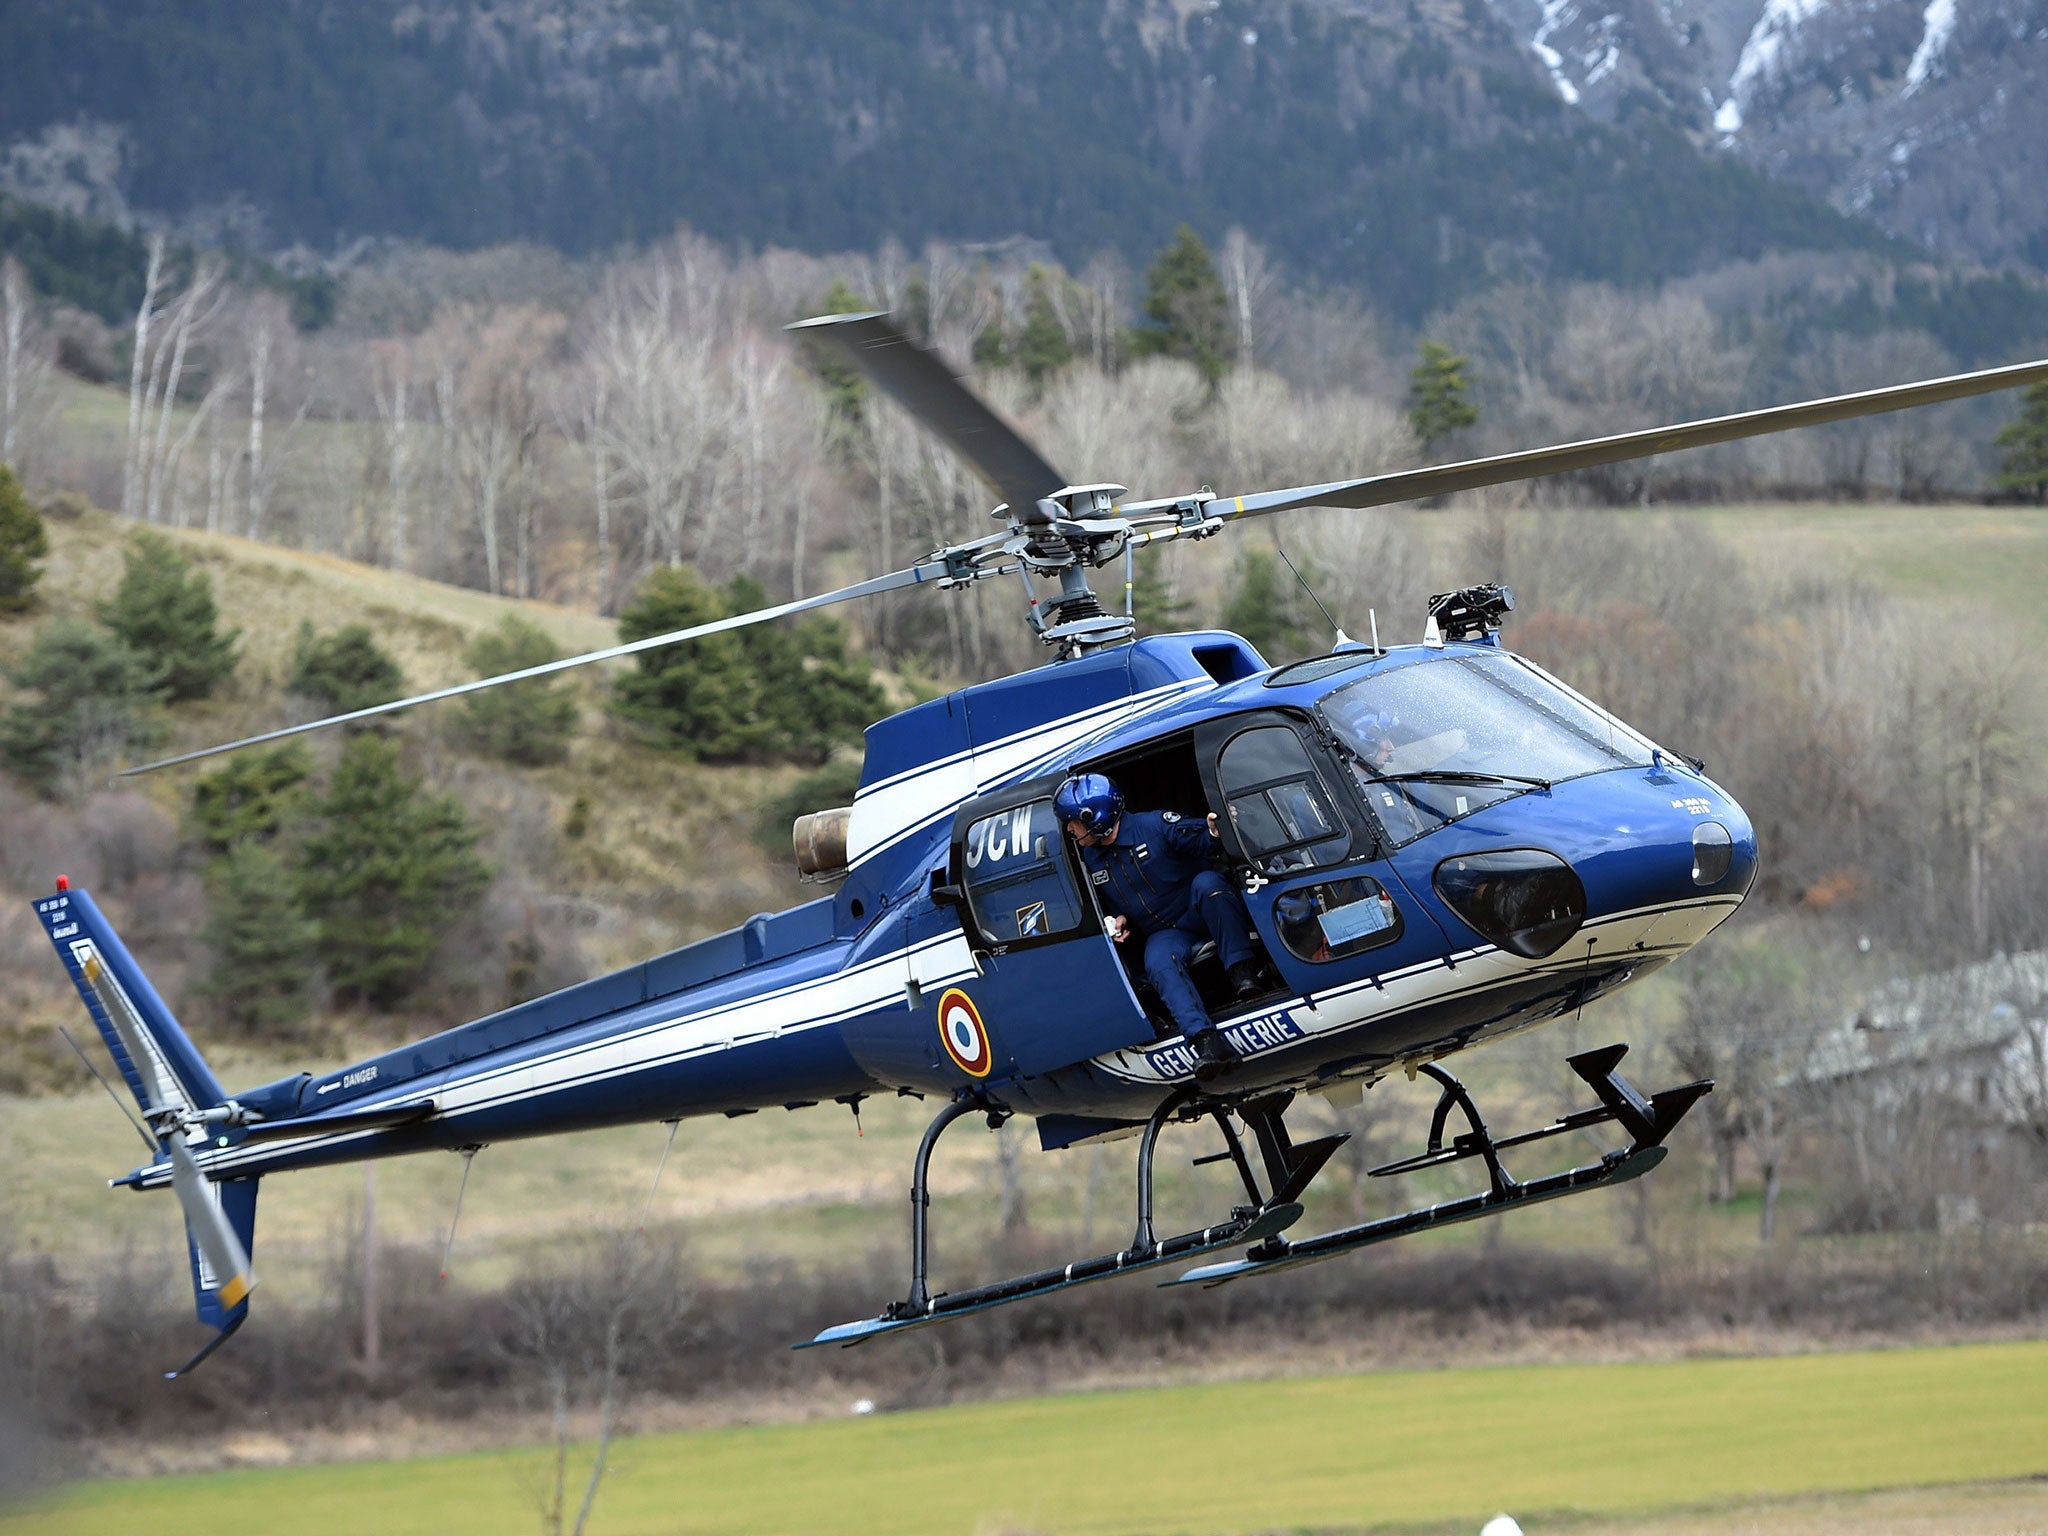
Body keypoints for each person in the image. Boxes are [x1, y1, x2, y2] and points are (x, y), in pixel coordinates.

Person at [1054, 772, 1265, 1078]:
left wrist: (1214, 831)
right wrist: (1119, 918)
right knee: (1157, 961)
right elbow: (1110, 898)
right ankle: (1206, 1042)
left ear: (1095, 816)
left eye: (1073, 821)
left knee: (1209, 885)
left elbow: (1200, 838)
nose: (1070, 829)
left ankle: (1243, 973)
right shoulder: (1091, 858)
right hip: (1166, 933)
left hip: (1198, 909)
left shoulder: (1153, 825)